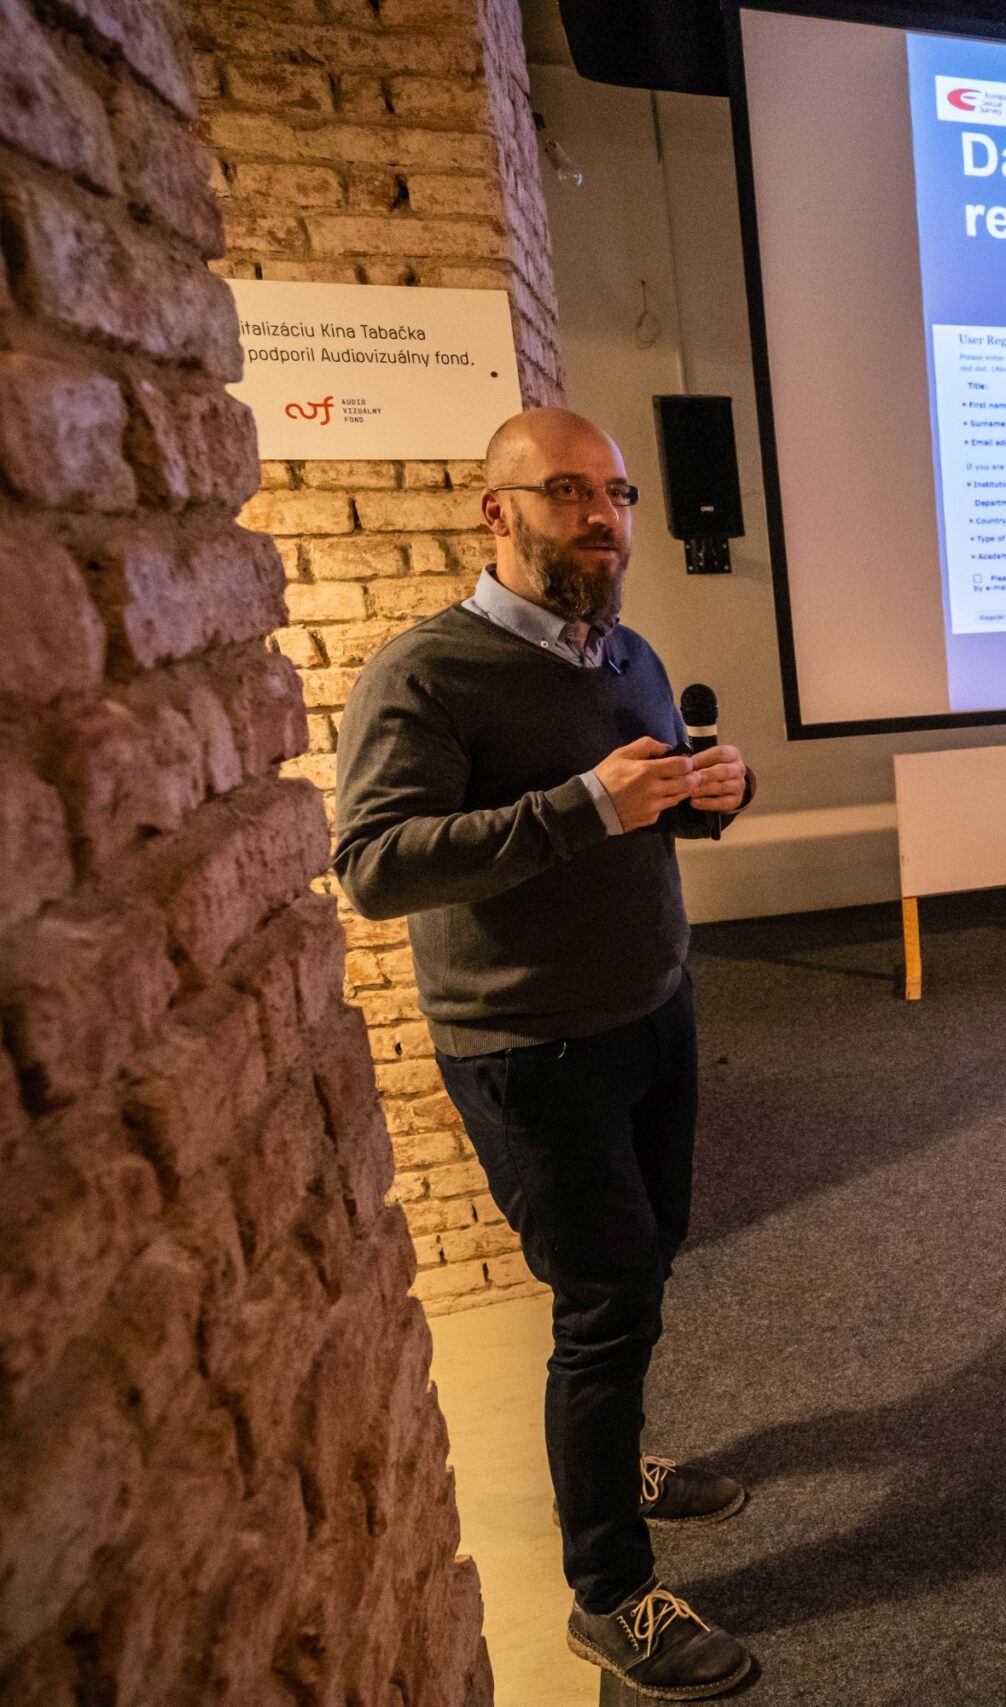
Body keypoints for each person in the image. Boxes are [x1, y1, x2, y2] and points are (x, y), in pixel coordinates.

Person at [333, 407, 757, 1700]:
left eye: (617, 495)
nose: (603, 518)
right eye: (568, 492)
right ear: (496, 511)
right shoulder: (426, 674)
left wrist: (708, 797)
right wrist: (584, 806)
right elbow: (376, 867)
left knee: (647, 1260)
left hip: (653, 1012)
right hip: (531, 1049)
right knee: (603, 1300)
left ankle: (608, 1458)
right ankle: (610, 1596)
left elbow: (638, 814)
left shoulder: (626, 652)